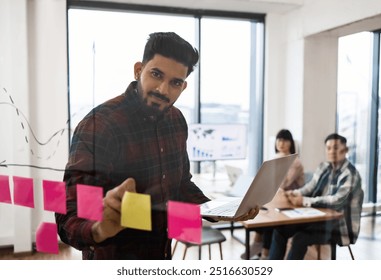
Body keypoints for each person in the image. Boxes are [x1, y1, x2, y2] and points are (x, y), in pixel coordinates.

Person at [55, 32, 258, 260]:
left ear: (183, 86)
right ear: (138, 70)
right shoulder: (100, 125)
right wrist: (99, 227)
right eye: (156, 74)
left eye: (175, 82)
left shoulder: (176, 120)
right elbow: (67, 216)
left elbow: (181, 185)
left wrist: (220, 211)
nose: (163, 89)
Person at [268, 133, 362, 260]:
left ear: (345, 150)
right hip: (318, 218)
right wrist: (295, 193)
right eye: (328, 148)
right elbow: (310, 187)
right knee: (280, 230)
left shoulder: (350, 174)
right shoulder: (324, 166)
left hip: (340, 226)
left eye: (336, 148)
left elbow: (336, 201)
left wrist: (304, 201)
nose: (331, 151)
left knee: (300, 238)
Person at [241, 129, 305, 259]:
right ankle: (259, 244)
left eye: (285, 140)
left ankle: (264, 252)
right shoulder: (276, 158)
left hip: (292, 202)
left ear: (291, 143)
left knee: (270, 218)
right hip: (279, 199)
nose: (281, 143)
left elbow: (283, 184)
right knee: (260, 210)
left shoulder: (294, 161)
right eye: (279, 139)